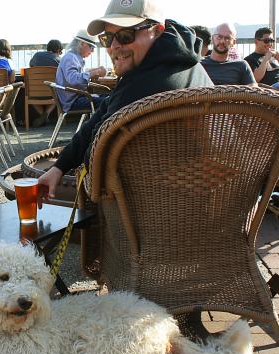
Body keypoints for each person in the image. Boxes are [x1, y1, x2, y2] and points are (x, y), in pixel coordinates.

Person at [38, 0, 213, 202]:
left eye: (125, 35)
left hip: (161, 208)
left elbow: (94, 157)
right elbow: (101, 116)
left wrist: (63, 168)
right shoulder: (186, 62)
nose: (114, 46)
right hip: (214, 196)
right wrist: (60, 165)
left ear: (157, 30)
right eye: (107, 38)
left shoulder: (143, 84)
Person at [55, 29, 107, 114]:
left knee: (111, 97)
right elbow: (74, 79)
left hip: (77, 97)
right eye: (91, 47)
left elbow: (78, 74)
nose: (93, 51)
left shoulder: (74, 57)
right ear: (81, 43)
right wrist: (95, 72)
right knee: (109, 100)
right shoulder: (71, 58)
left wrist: (95, 70)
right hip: (73, 102)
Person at [28, 39, 63, 127]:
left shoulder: (36, 55)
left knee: (28, 94)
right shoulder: (59, 60)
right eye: (61, 52)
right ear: (58, 50)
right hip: (51, 92)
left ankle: (43, 116)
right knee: (59, 95)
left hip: (35, 92)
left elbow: (31, 67)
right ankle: (46, 114)